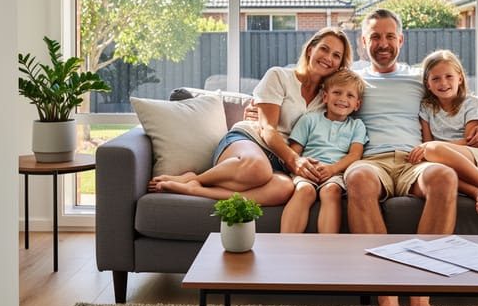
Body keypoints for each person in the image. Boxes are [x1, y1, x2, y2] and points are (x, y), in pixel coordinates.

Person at [343, 8, 478, 306]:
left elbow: (464, 95)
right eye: (375, 37)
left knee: (444, 176)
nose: (382, 44)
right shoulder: (353, 81)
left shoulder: (420, 78)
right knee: (357, 177)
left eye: (389, 36)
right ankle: (387, 303)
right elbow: (314, 100)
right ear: (362, 43)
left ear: (400, 40)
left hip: (417, 161)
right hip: (373, 161)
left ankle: (419, 302)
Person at [149, 27, 354, 206]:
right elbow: (267, 129)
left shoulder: (331, 98)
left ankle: (195, 188)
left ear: (340, 64)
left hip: (279, 163)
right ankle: (198, 177)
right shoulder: (279, 76)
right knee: (258, 168)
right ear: (311, 50)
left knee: (284, 189)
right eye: (324, 49)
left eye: (336, 55)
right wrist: (295, 160)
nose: (328, 58)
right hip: (250, 141)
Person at [413, 49, 478, 220]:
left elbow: (471, 142)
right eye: (436, 78)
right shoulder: (427, 108)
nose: (443, 83)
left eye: (449, 76)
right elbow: (427, 144)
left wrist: (437, 148)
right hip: (447, 165)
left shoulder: (470, 104)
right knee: (431, 168)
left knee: (431, 150)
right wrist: (432, 151)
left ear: (460, 78)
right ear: (428, 84)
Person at [280, 69, 368, 234]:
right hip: (308, 170)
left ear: (357, 104)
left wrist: (332, 169)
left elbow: (355, 155)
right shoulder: (309, 119)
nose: (342, 98)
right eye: (337, 92)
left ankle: (328, 244)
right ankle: (286, 240)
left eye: (350, 95)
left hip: (336, 173)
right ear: (325, 97)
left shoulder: (357, 126)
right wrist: (302, 169)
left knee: (331, 191)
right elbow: (294, 153)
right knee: (305, 190)